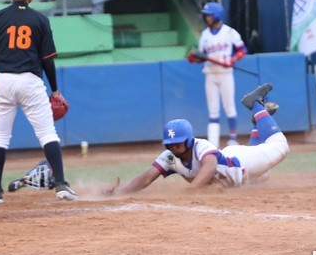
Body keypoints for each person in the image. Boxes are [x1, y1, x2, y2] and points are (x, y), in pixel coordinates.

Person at [0, 0, 78, 205]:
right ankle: (61, 185)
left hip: (2, 79)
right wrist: (55, 90)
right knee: (47, 134)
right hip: (30, 81)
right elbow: (47, 60)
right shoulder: (40, 19)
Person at [111, 83, 288, 194]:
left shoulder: (200, 145)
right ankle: (258, 123)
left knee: (280, 146)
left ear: (189, 140)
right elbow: (147, 177)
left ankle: (256, 104)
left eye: (177, 143)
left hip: (242, 164)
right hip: (237, 170)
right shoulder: (169, 157)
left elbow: (210, 167)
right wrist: (121, 193)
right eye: (170, 144)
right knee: (263, 178)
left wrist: (190, 191)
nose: (173, 148)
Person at [187, 2, 247, 147]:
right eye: (205, 15)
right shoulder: (204, 35)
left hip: (226, 72)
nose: (206, 17)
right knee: (213, 109)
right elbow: (202, 56)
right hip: (210, 73)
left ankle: (233, 139)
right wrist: (195, 58)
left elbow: (242, 49)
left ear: (217, 15)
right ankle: (213, 144)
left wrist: (232, 59)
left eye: (209, 15)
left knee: (229, 106)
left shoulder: (229, 32)